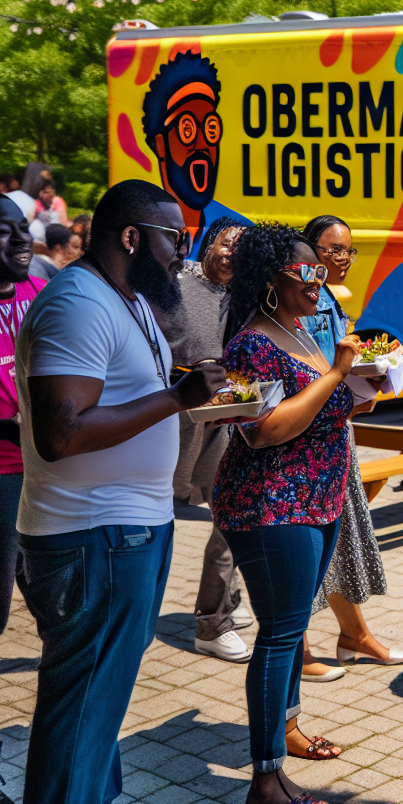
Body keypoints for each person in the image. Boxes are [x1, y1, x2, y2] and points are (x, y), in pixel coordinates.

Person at [13, 180, 225, 804]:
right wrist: (177, 399)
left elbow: (126, 394)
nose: (183, 254)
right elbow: (61, 433)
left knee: (99, 702)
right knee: (82, 705)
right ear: (131, 237)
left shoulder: (124, 298)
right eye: (175, 239)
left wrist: (185, 390)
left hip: (130, 530)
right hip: (93, 536)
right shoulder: (77, 303)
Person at [215, 224, 364, 804]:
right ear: (271, 279)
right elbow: (263, 430)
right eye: (307, 271)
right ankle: (266, 782)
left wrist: (363, 383)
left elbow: (324, 404)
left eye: (320, 271)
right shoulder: (251, 344)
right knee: (279, 635)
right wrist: (336, 375)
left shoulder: (299, 330)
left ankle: (290, 729)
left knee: (293, 627)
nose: (318, 281)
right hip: (272, 504)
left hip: (318, 499)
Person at [299, 215, 403, 679]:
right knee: (308, 542)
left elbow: (338, 367)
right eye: (333, 250)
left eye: (348, 250)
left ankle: (354, 635)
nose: (344, 258)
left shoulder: (328, 296)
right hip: (307, 436)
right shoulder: (303, 300)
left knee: (341, 536)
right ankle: (297, 648)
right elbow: (313, 372)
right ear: (308, 252)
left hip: (334, 429)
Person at [152, 216, 253, 662]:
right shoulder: (174, 281)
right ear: (210, 243)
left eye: (242, 250)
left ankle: (214, 619)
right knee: (156, 513)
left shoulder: (242, 294)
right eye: (228, 244)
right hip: (169, 415)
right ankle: (128, 612)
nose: (233, 254)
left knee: (231, 513)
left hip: (220, 416)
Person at [0, 194, 40, 804]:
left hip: (45, 480)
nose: (22, 239)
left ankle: (64, 751)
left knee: (63, 617)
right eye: (5, 231)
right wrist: (9, 430)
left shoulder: (38, 296)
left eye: (24, 227)